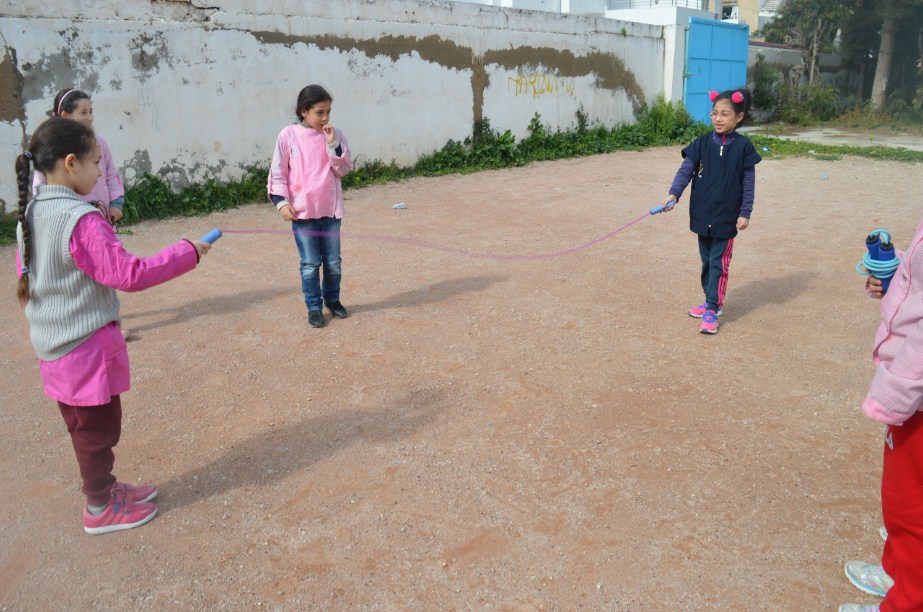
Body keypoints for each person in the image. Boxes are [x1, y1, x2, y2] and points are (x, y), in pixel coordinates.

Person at [15, 117, 211, 534]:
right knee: (96, 432)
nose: (99, 173)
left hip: (55, 350)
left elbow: (27, 275)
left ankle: (105, 489)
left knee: (89, 428)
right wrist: (186, 252)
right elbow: (128, 273)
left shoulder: (29, 214)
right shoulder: (79, 219)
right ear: (71, 163)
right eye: (96, 163)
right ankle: (100, 507)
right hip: (83, 351)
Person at [839, 225, 923, 612]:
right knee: (900, 504)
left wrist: (895, 392)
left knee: (913, 516)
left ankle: (904, 602)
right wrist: (898, 275)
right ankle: (896, 574)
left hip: (915, 398)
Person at [660, 88, 761, 334]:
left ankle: (712, 309)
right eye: (714, 113)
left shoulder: (744, 148)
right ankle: (709, 299)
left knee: (718, 263)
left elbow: (749, 184)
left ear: (739, 117)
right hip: (702, 213)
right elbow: (686, 170)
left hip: (727, 217)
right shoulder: (703, 143)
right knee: (706, 261)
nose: (717, 119)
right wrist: (674, 194)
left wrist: (745, 213)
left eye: (724, 114)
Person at [267, 84, 353, 328]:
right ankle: (314, 307)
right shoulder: (288, 136)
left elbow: (343, 169)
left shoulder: (334, 135)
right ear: (304, 111)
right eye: (319, 112)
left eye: (328, 112)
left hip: (330, 212)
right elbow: (277, 172)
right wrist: (281, 202)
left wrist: (332, 144)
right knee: (310, 264)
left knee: (333, 262)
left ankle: (333, 301)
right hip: (303, 215)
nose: (325, 118)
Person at [33, 88, 125, 226]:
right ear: (65, 116)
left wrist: (116, 203)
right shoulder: (51, 147)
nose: (90, 117)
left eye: (91, 111)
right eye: (84, 112)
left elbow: (111, 174)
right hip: (65, 222)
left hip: (100, 217)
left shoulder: (98, 144)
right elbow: (39, 185)